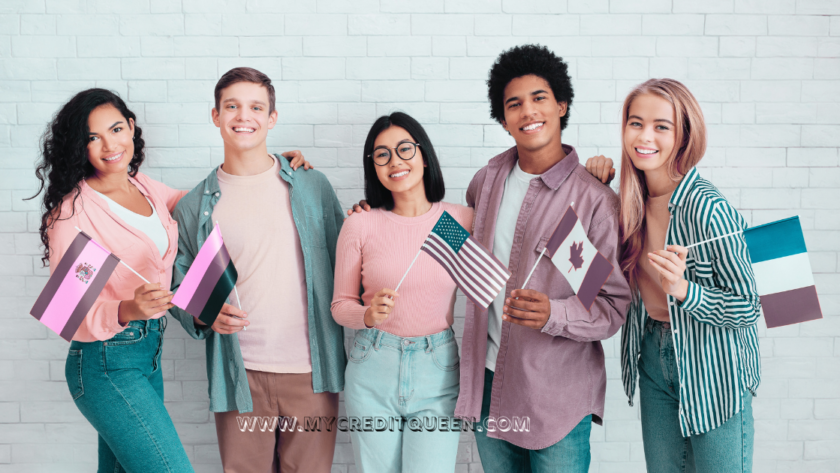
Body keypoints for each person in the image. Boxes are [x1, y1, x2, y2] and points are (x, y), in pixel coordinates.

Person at [168, 67, 346, 473]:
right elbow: (178, 286)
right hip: (239, 377)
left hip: (311, 372)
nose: (242, 116)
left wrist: (374, 223)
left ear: (272, 118)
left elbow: (348, 262)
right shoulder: (195, 205)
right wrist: (202, 311)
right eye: (231, 106)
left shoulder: (310, 185)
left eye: (255, 107)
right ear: (215, 116)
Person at [585, 78, 760, 472]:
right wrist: (591, 186)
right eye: (636, 122)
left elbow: (748, 306)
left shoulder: (709, 209)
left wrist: (684, 289)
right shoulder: (626, 205)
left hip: (713, 366)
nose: (645, 136)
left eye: (661, 126)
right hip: (653, 356)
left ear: (683, 136)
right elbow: (591, 275)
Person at [32, 88, 194, 472]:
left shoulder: (143, 186)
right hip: (105, 364)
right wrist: (128, 307)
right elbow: (66, 311)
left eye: (116, 129)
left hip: (147, 355)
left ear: (131, 127)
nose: (109, 145)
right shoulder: (75, 214)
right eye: (92, 137)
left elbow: (197, 202)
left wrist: (266, 168)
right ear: (79, 147)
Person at [331, 112, 472, 472]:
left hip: (437, 368)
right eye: (382, 155)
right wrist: (365, 315)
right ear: (373, 167)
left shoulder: (456, 222)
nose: (395, 161)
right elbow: (340, 305)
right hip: (373, 365)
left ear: (424, 155)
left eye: (404, 149)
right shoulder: (361, 224)